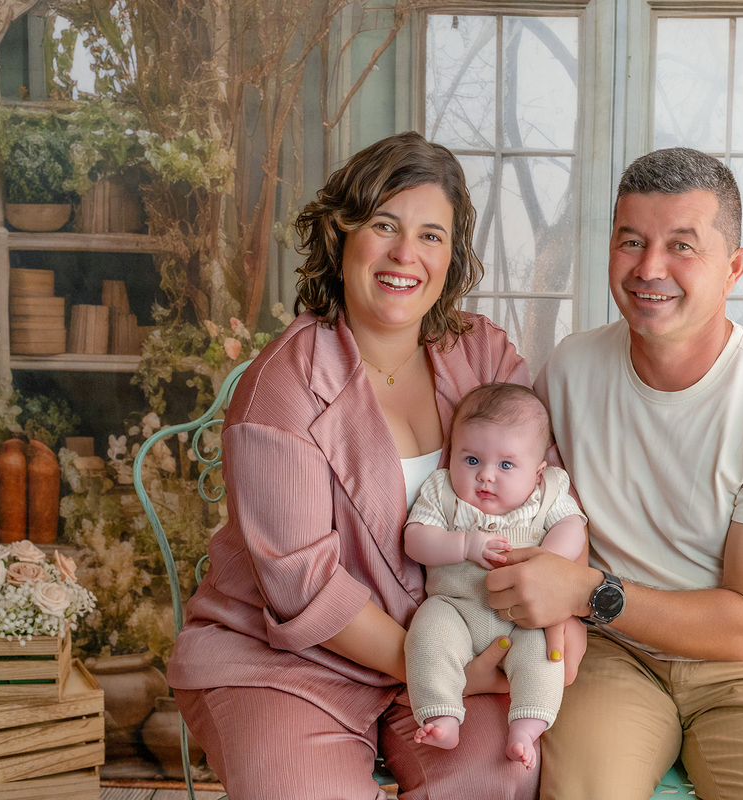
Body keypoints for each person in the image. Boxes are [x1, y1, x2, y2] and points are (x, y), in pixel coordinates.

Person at [167, 131, 546, 800]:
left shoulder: (481, 356)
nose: (407, 254)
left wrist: (504, 640)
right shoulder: (281, 386)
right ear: (342, 236)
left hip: (454, 641)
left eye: (431, 235)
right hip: (287, 659)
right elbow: (306, 590)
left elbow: (543, 500)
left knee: (497, 781)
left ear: (451, 255)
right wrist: (457, 669)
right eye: (384, 226)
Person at [484, 147, 743, 800]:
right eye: (632, 241)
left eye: (682, 246)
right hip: (617, 655)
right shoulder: (571, 372)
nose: (650, 268)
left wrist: (583, 593)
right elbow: (534, 513)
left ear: (734, 268)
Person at [402, 382, 586, 770]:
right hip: (456, 608)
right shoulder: (442, 492)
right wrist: (465, 545)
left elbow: (573, 527)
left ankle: (525, 729)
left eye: (505, 465)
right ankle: (442, 716)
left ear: (537, 473)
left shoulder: (548, 494)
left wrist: (546, 563)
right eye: (471, 460)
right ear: (452, 455)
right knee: (427, 636)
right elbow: (415, 539)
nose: (485, 476)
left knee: (544, 660)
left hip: (523, 619)